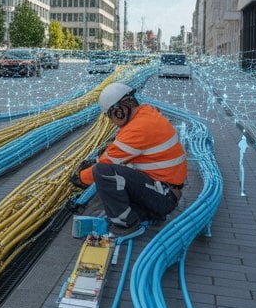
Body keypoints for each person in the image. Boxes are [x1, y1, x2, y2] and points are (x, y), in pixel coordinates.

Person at [70, 82, 187, 234]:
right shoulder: (146, 114)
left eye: (110, 115)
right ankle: (148, 213)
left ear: (120, 110)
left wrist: (79, 178)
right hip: (165, 190)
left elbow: (106, 165)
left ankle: (126, 224)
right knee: (116, 174)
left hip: (164, 196)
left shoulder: (138, 129)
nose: (111, 121)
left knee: (103, 172)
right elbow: (117, 153)